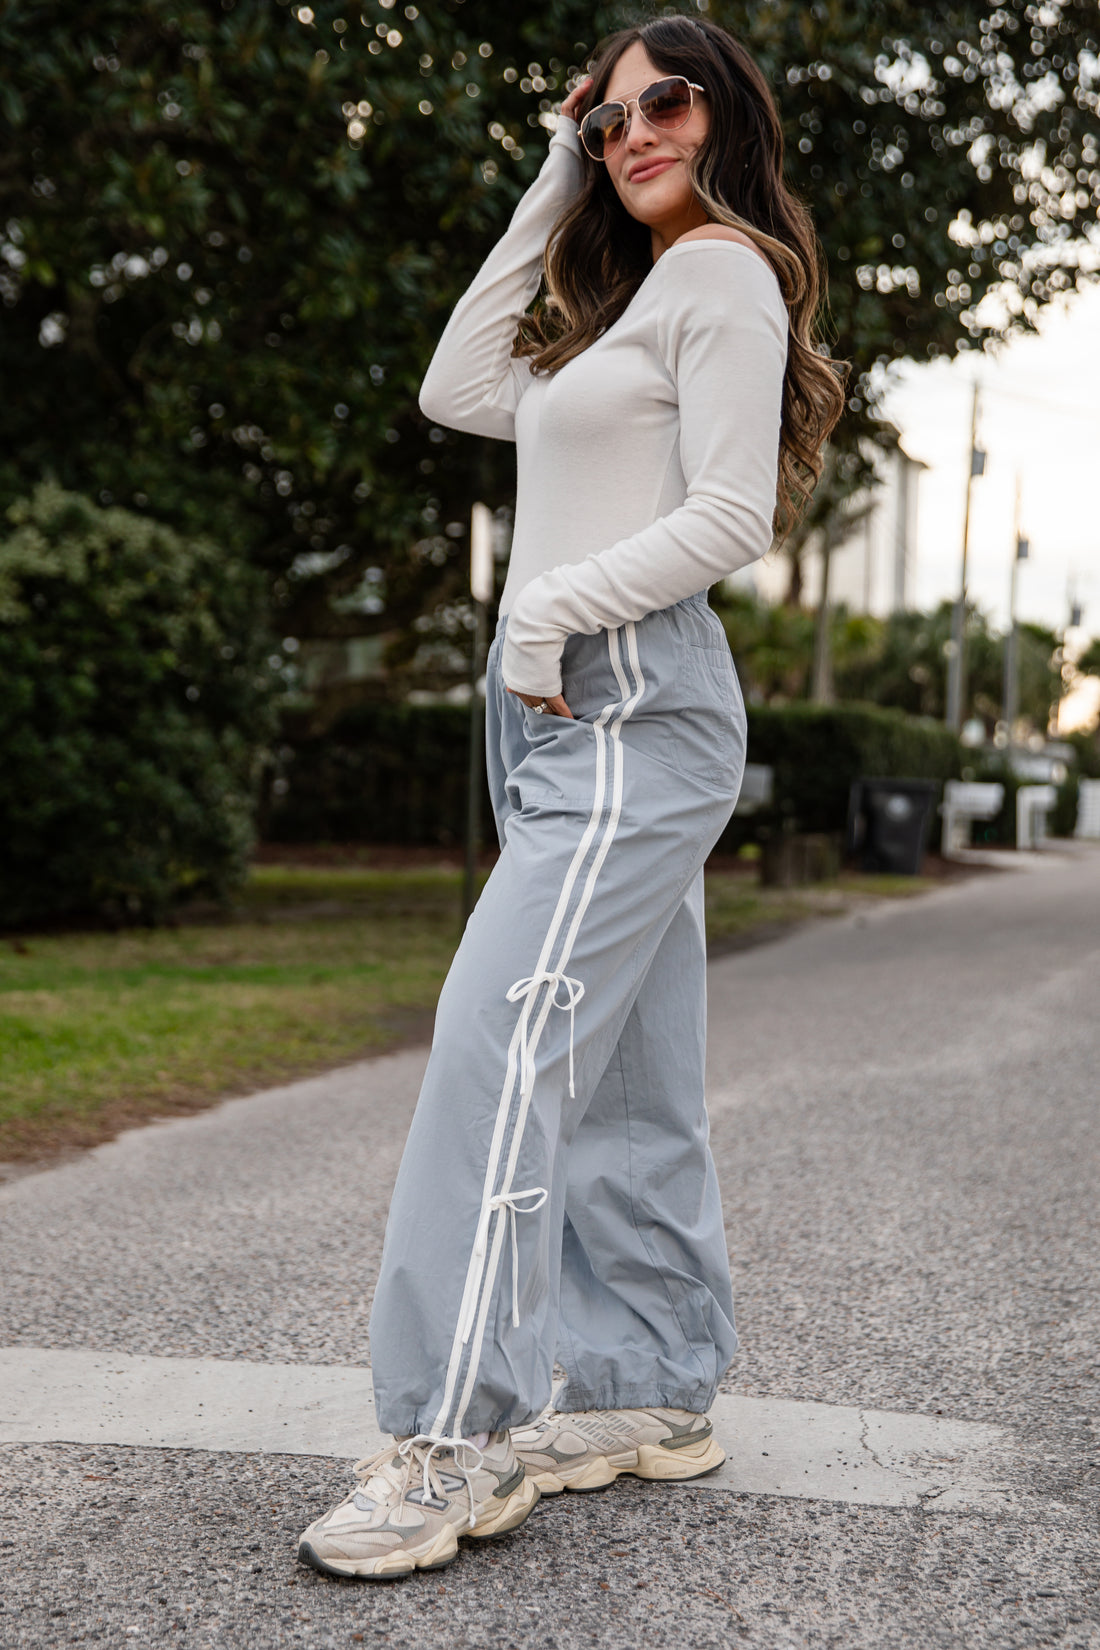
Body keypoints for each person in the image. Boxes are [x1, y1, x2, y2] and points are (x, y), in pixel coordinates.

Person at [298, 12, 845, 1580]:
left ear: (725, 112)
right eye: (609, 119)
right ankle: (646, 1389)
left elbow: (733, 511)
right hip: (553, 716)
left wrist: (543, 616)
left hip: (620, 697)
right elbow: (455, 379)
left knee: (502, 1050)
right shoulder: (624, 310)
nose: (637, 132)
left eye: (665, 102)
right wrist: (549, 173)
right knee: (620, 1074)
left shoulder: (728, 273)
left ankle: (449, 1436)